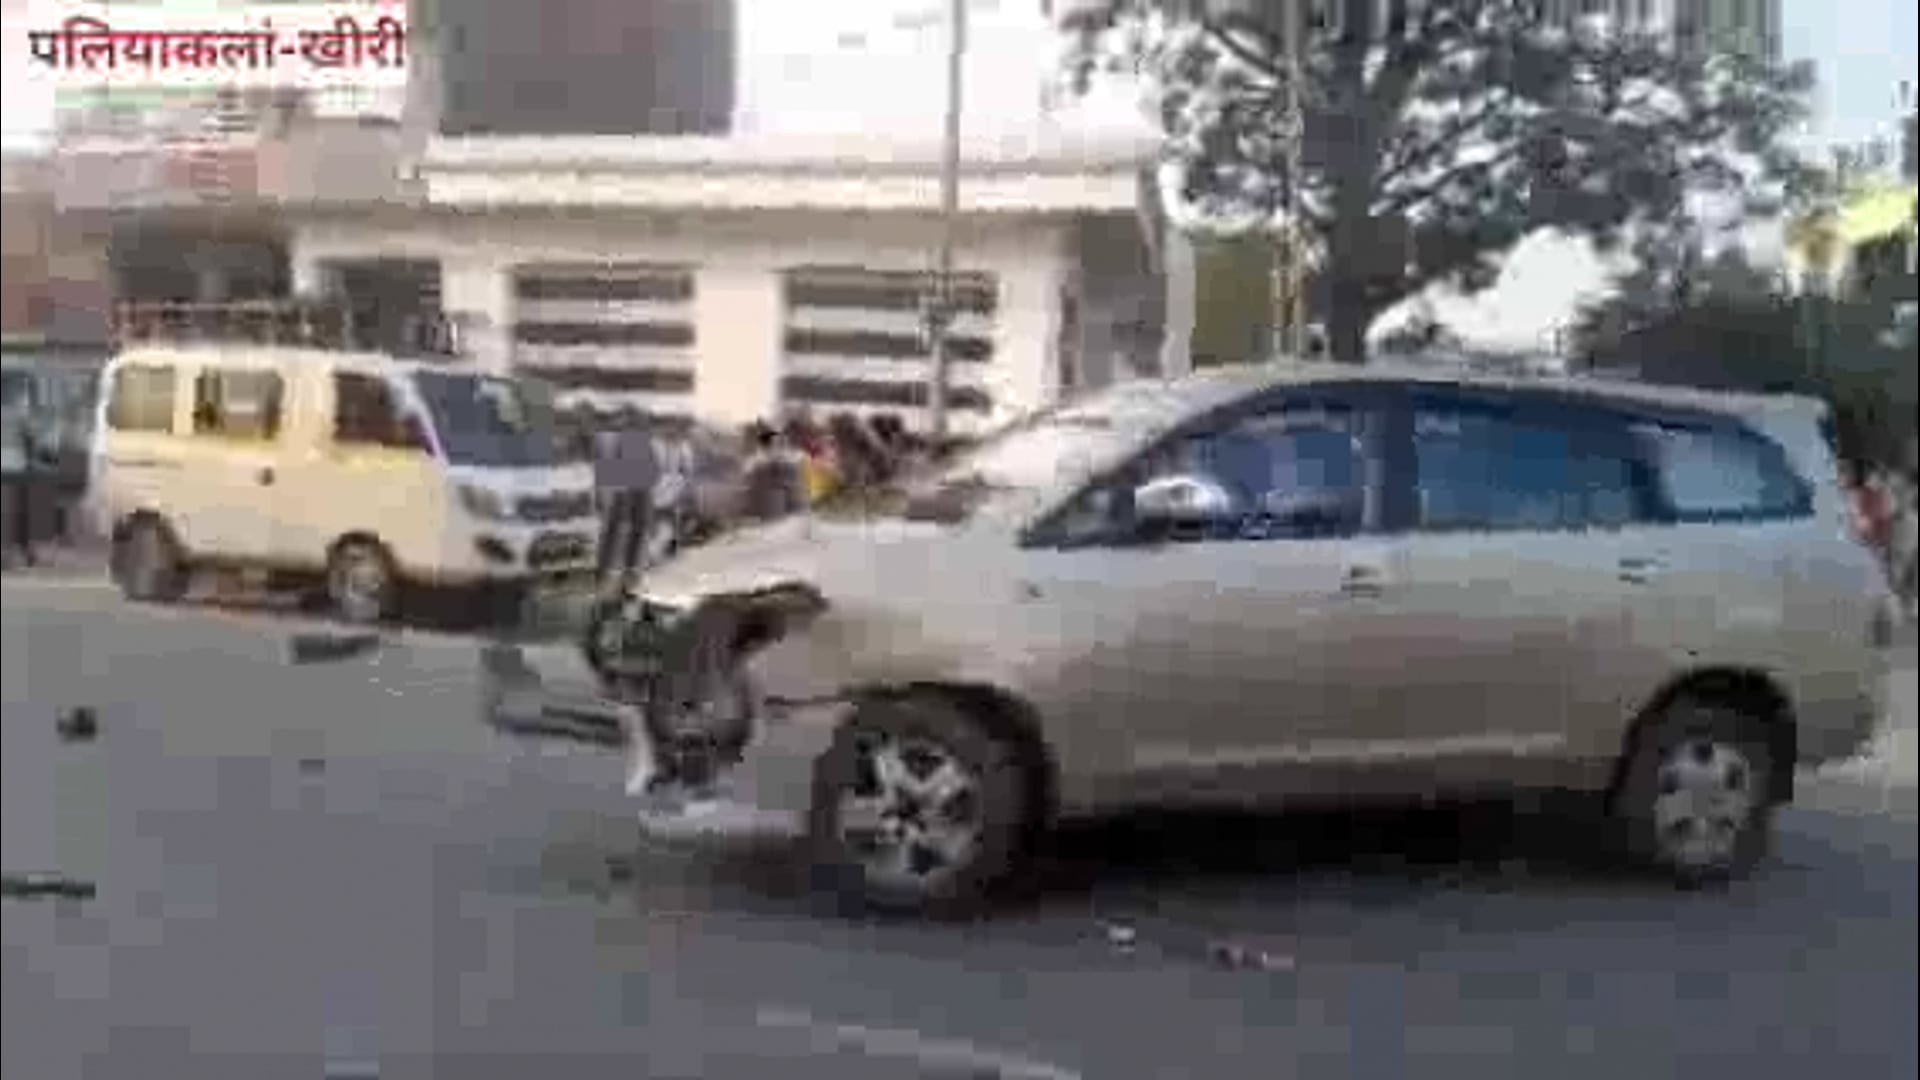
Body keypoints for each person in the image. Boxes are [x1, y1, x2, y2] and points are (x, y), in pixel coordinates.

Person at [594, 413, 661, 592]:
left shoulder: (642, 441)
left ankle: (626, 572)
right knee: (617, 526)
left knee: (633, 525)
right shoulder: (608, 438)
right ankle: (609, 572)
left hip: (633, 484)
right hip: (622, 486)